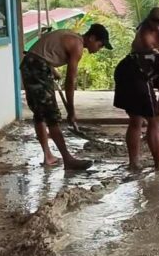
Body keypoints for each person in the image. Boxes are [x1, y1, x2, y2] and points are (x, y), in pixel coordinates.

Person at [21, 23, 112, 169]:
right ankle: (68, 159)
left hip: (30, 65)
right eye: (100, 45)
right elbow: (70, 81)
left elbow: (44, 50)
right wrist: (71, 110)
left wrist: (52, 69)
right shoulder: (77, 45)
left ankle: (48, 156)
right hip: (37, 68)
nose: (99, 49)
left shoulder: (71, 35)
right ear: (92, 38)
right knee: (52, 116)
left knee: (40, 114)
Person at [115, 8, 159, 171]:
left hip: (123, 69)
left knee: (136, 120)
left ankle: (134, 163)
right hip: (136, 74)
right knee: (155, 120)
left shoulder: (157, 51)